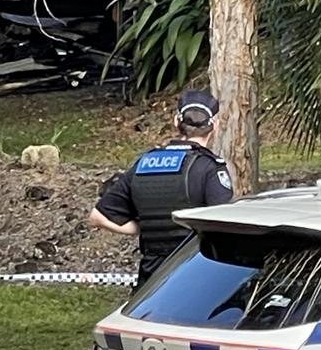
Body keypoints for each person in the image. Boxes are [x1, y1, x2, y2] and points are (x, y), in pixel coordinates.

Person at [88, 90, 234, 287]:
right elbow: (224, 227)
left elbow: (98, 217)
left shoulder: (145, 163)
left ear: (176, 122)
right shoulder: (210, 168)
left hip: (151, 284)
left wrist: (144, 228)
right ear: (214, 126)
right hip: (196, 276)